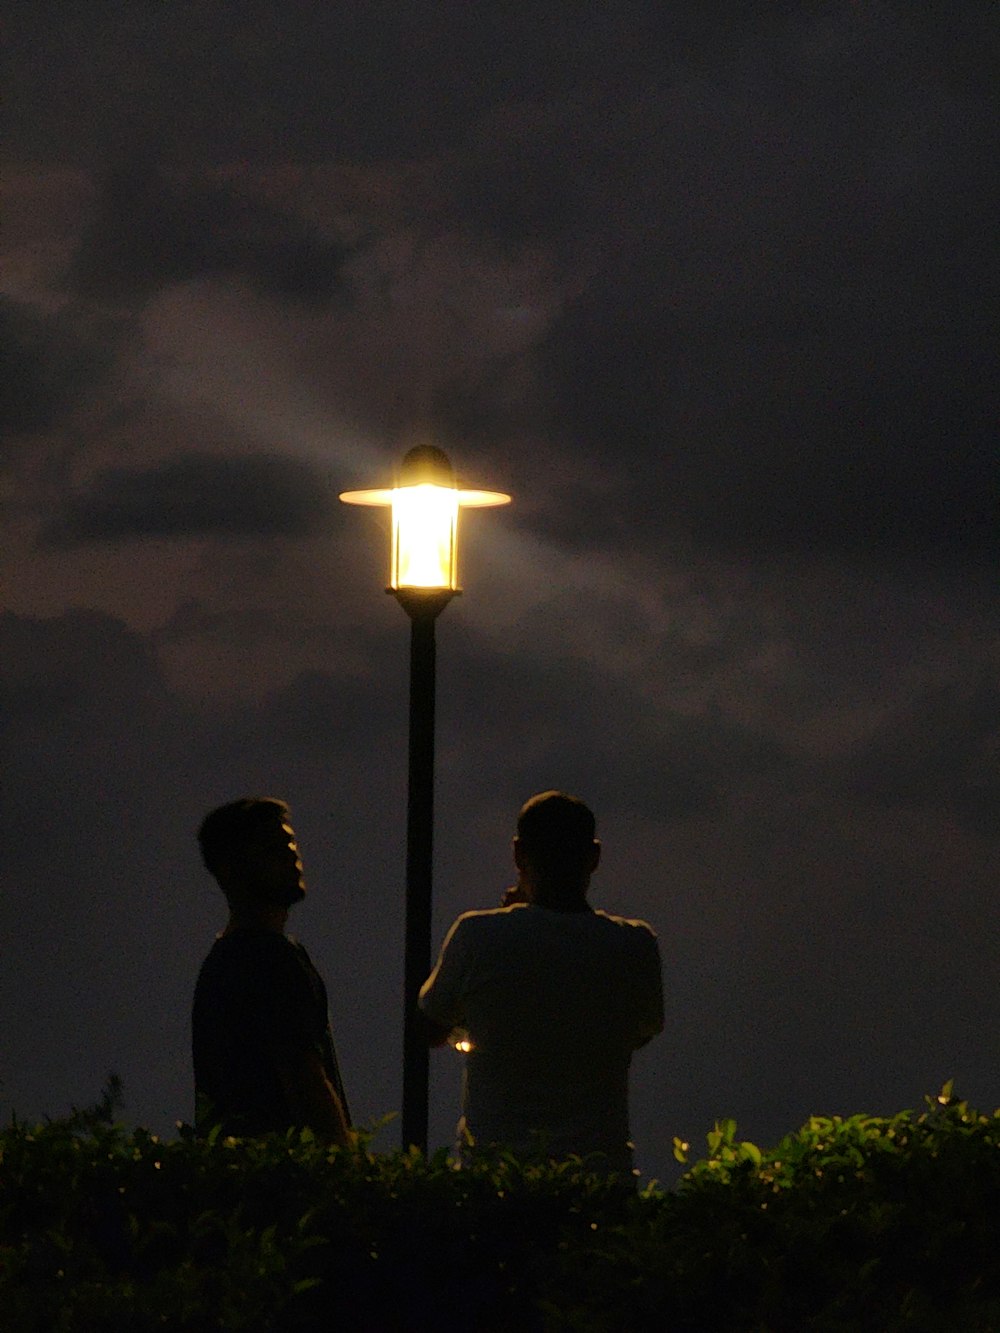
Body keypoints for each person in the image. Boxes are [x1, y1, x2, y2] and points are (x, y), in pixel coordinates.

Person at [419, 791, 663, 1176]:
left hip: (496, 1180)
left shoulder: (476, 936)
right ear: (594, 856)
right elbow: (641, 1030)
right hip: (599, 1180)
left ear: (518, 854)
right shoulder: (634, 946)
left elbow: (429, 1027)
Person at [191, 797, 351, 1146]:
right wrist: (347, 1165)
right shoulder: (274, 959)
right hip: (290, 1182)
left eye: (290, 844)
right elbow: (303, 1077)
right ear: (232, 868)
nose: (292, 856)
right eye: (274, 848)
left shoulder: (220, 963)